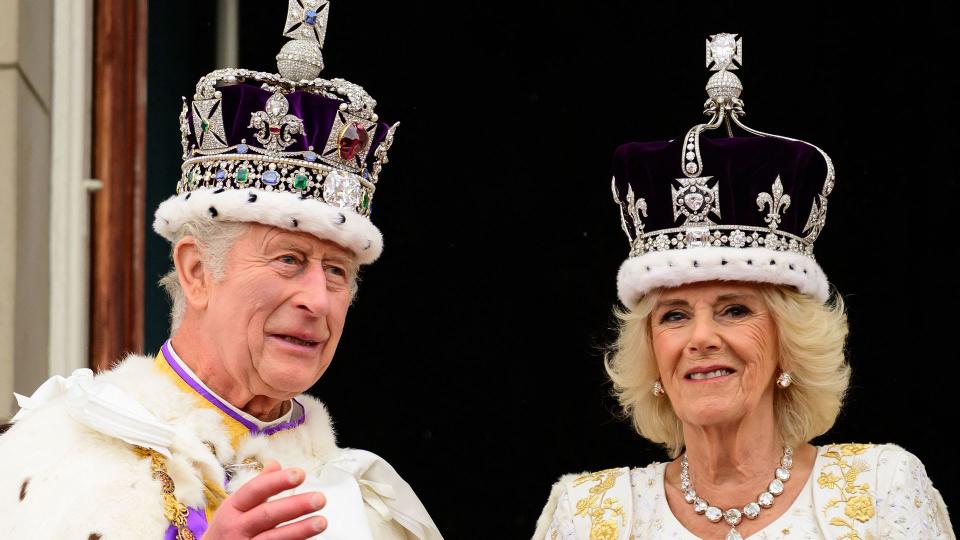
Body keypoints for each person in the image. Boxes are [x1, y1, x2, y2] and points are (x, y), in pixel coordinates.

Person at [0, 3, 441, 539]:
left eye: (336, 272)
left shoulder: (374, 510)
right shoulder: (48, 458)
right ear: (196, 270)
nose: (318, 301)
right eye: (289, 260)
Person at [534, 33, 953, 540]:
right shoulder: (586, 514)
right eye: (674, 314)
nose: (701, 337)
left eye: (734, 309)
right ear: (650, 352)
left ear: (788, 341)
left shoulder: (881, 489)